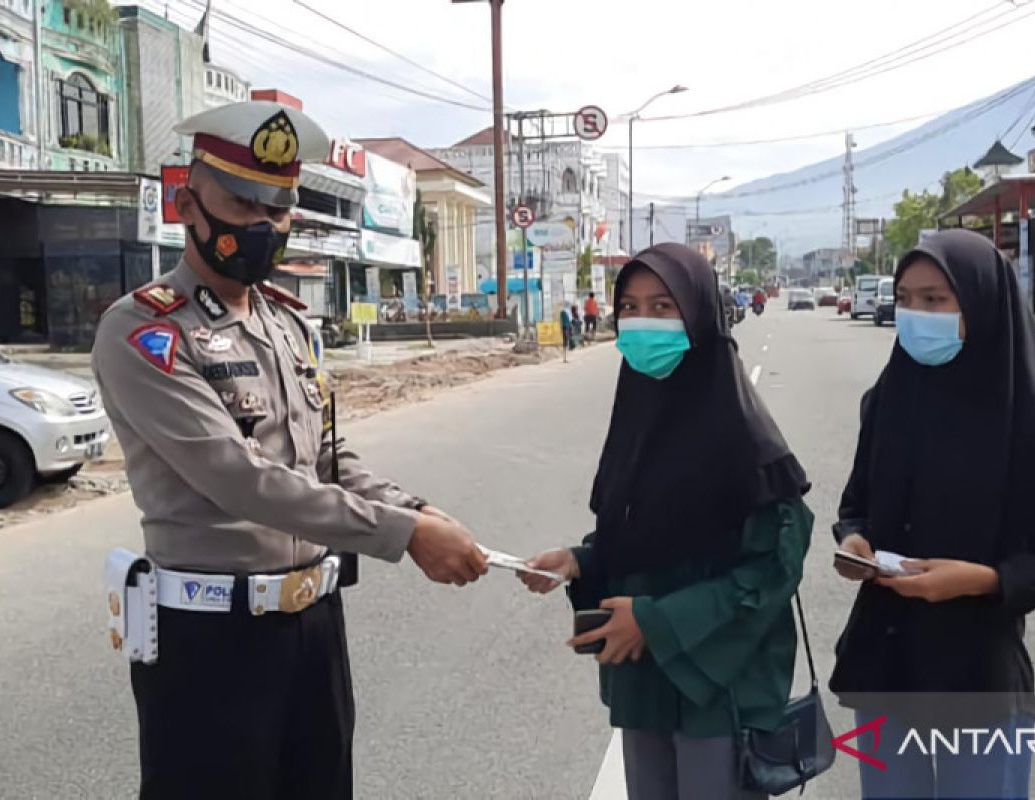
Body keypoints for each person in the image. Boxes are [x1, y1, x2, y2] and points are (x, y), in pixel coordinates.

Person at [92, 100, 489, 799]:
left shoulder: (287, 323)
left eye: (279, 208)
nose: (263, 225)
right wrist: (404, 535)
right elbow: (239, 479)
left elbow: (327, 458)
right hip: (209, 643)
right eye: (243, 203)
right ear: (188, 203)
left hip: (313, 627)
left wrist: (418, 509)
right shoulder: (144, 332)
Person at [520, 243, 813, 800]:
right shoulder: (636, 421)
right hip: (646, 685)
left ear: (700, 316)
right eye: (629, 307)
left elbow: (773, 570)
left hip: (717, 692)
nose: (641, 323)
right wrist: (579, 561)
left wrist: (656, 622)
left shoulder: (748, 442)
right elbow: (637, 536)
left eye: (662, 307)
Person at [829, 229, 1035, 800]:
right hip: (884, 664)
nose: (913, 314)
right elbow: (856, 507)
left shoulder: (1030, 423)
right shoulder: (888, 399)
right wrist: (854, 544)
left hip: (978, 675)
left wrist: (979, 580)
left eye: (934, 300)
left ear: (979, 305)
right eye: (904, 298)